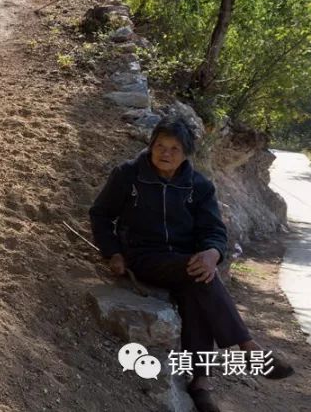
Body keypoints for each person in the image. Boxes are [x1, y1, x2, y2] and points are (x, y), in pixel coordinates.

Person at [89, 117, 294, 411]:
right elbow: (100, 214)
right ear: (151, 146)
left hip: (185, 260)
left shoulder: (198, 186)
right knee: (198, 275)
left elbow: (214, 231)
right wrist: (113, 253)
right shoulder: (128, 175)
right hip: (143, 257)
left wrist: (212, 253)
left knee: (197, 286)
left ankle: (200, 383)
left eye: (174, 148)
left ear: (186, 153)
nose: (166, 153)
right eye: (160, 146)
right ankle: (246, 349)